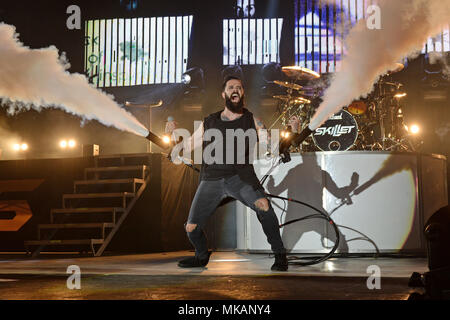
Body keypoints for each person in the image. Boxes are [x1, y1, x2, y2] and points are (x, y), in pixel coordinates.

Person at [175, 76, 288, 271]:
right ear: (224, 94)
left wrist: (284, 144)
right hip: (212, 179)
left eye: (239, 87)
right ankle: (201, 257)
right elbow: (189, 143)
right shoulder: (210, 121)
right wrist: (175, 147)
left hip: (241, 177)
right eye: (230, 87)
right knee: (191, 228)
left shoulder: (252, 120)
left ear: (242, 93)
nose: (235, 90)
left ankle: (280, 254)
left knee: (264, 206)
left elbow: (270, 144)